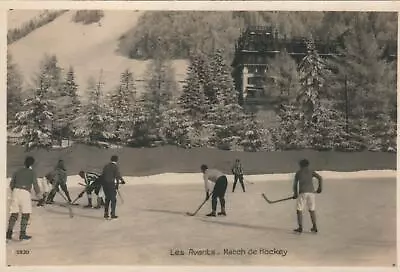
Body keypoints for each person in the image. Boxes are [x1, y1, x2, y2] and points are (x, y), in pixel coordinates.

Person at [7, 156, 41, 241]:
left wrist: (15, 191)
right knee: (26, 213)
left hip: (15, 191)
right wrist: (39, 195)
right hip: (25, 192)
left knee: (14, 213)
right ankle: (22, 234)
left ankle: (9, 233)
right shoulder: (32, 172)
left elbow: (11, 184)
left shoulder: (17, 171)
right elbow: (35, 185)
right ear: (32, 164)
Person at [292, 159, 323, 233]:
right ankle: (314, 226)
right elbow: (320, 178)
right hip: (311, 193)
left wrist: (295, 193)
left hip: (302, 193)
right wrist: (319, 188)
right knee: (312, 210)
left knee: (299, 210)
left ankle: (300, 227)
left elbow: (295, 184)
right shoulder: (311, 171)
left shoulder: (298, 173)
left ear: (300, 165)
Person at [101, 155, 125, 219]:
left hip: (105, 184)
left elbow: (103, 175)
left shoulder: (106, 166)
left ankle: (106, 213)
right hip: (111, 184)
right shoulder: (115, 167)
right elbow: (117, 176)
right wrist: (121, 181)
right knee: (113, 200)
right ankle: (112, 214)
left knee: (107, 199)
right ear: (116, 160)